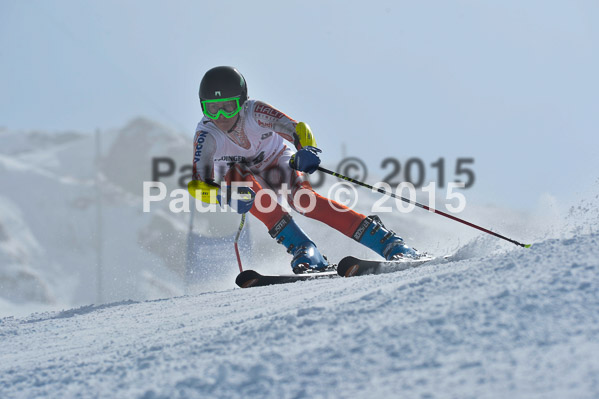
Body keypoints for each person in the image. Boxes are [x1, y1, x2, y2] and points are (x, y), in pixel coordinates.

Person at [189, 66, 420, 274]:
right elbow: (198, 184)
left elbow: (297, 129)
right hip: (246, 181)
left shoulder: (255, 112)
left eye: (228, 108)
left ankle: (387, 242)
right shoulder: (206, 135)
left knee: (303, 201)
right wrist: (225, 196)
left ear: (242, 102)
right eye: (212, 109)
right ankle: (306, 251)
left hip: (276, 164)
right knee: (237, 179)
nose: (221, 117)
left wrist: (306, 149)